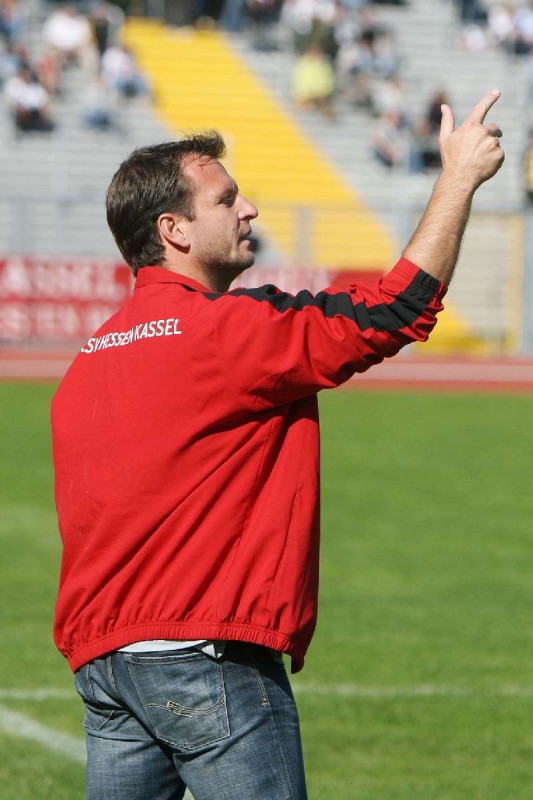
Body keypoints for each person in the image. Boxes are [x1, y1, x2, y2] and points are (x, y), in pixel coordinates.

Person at [51, 89, 504, 800]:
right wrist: (458, 177)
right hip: (204, 652)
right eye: (226, 199)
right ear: (173, 229)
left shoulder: (87, 360)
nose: (250, 209)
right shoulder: (223, 329)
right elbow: (396, 310)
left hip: (107, 661)